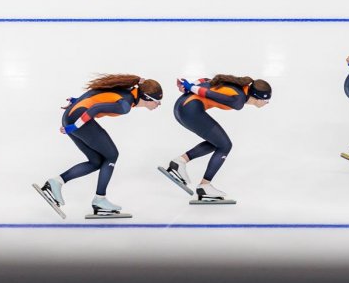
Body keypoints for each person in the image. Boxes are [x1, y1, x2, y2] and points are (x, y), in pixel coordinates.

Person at [37, 74, 161, 216]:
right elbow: (94, 108)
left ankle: (55, 182)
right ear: (146, 98)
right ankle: (100, 199)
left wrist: (77, 101)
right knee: (112, 155)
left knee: (96, 161)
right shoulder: (125, 105)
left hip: (72, 115)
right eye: (157, 101)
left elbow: (97, 93)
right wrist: (74, 127)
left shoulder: (128, 91)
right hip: (78, 119)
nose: (158, 105)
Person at [161, 74, 271, 203]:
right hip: (190, 109)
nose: (266, 103)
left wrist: (191, 85)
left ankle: (179, 162)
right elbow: (208, 93)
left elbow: (207, 80)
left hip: (182, 107)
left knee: (218, 142)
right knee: (225, 146)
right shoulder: (239, 100)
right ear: (258, 98)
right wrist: (190, 87)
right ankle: (204, 186)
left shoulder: (240, 87)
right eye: (266, 100)